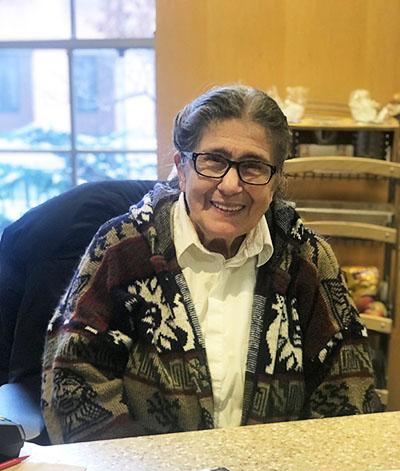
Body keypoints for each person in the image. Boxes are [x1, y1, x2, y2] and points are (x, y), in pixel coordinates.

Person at [42, 85, 382, 444]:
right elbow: (73, 381)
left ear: (276, 179)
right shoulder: (123, 249)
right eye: (213, 161)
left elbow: (348, 388)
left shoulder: (306, 259)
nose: (231, 185)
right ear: (182, 168)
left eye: (253, 166)